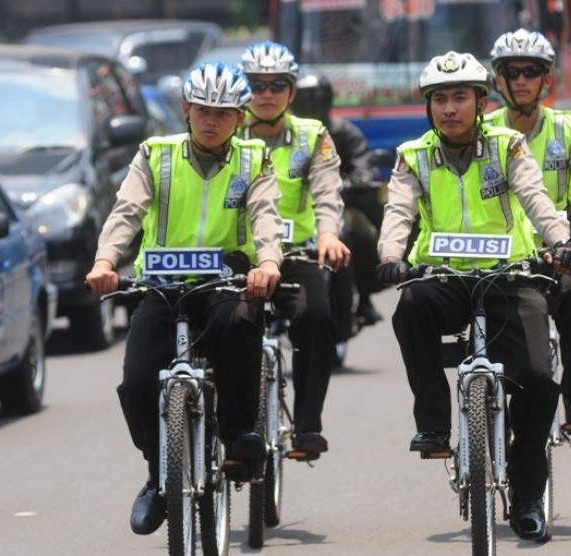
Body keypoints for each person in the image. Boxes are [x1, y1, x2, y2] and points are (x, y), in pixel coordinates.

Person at [375, 51, 571, 541]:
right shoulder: (413, 155)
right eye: (440, 99)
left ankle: (529, 495)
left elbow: (537, 198)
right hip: (444, 277)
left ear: (482, 102)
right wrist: (390, 255)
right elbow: (399, 213)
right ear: (429, 107)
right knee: (411, 308)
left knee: (534, 376)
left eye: (460, 98)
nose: (450, 108)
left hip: (510, 276)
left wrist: (561, 241)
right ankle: (432, 423)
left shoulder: (508, 147)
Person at [85, 62, 283, 535]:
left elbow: (266, 216)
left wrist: (269, 262)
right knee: (136, 383)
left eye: (222, 112)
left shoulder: (254, 159)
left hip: (225, 282)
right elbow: (126, 211)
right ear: (185, 110)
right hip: (161, 284)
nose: (210, 120)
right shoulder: (155, 154)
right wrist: (105, 261)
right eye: (202, 111)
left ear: (239, 118)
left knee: (238, 325)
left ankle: (237, 434)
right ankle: (159, 478)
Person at [488, 28, 571, 433]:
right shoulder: (482, 131)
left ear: (547, 79)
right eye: (513, 72)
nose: (523, 80)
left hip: (560, 250)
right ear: (499, 81)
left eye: (533, 71)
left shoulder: (568, 126)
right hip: (503, 250)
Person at [238, 41, 351, 457]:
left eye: (277, 85)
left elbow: (327, 193)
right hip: (238, 258)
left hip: (297, 254)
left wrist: (328, 234)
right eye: (256, 85)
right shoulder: (225, 130)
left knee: (318, 316)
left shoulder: (312, 136)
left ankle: (306, 425)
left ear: (292, 91)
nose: (266, 94)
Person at [289, 65, 385, 327]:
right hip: (292, 208)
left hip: (342, 206)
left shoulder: (345, 131)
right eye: (303, 98)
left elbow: (363, 162)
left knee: (365, 236)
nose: (309, 104)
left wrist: (360, 178)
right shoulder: (288, 135)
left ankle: (363, 295)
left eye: (315, 98)